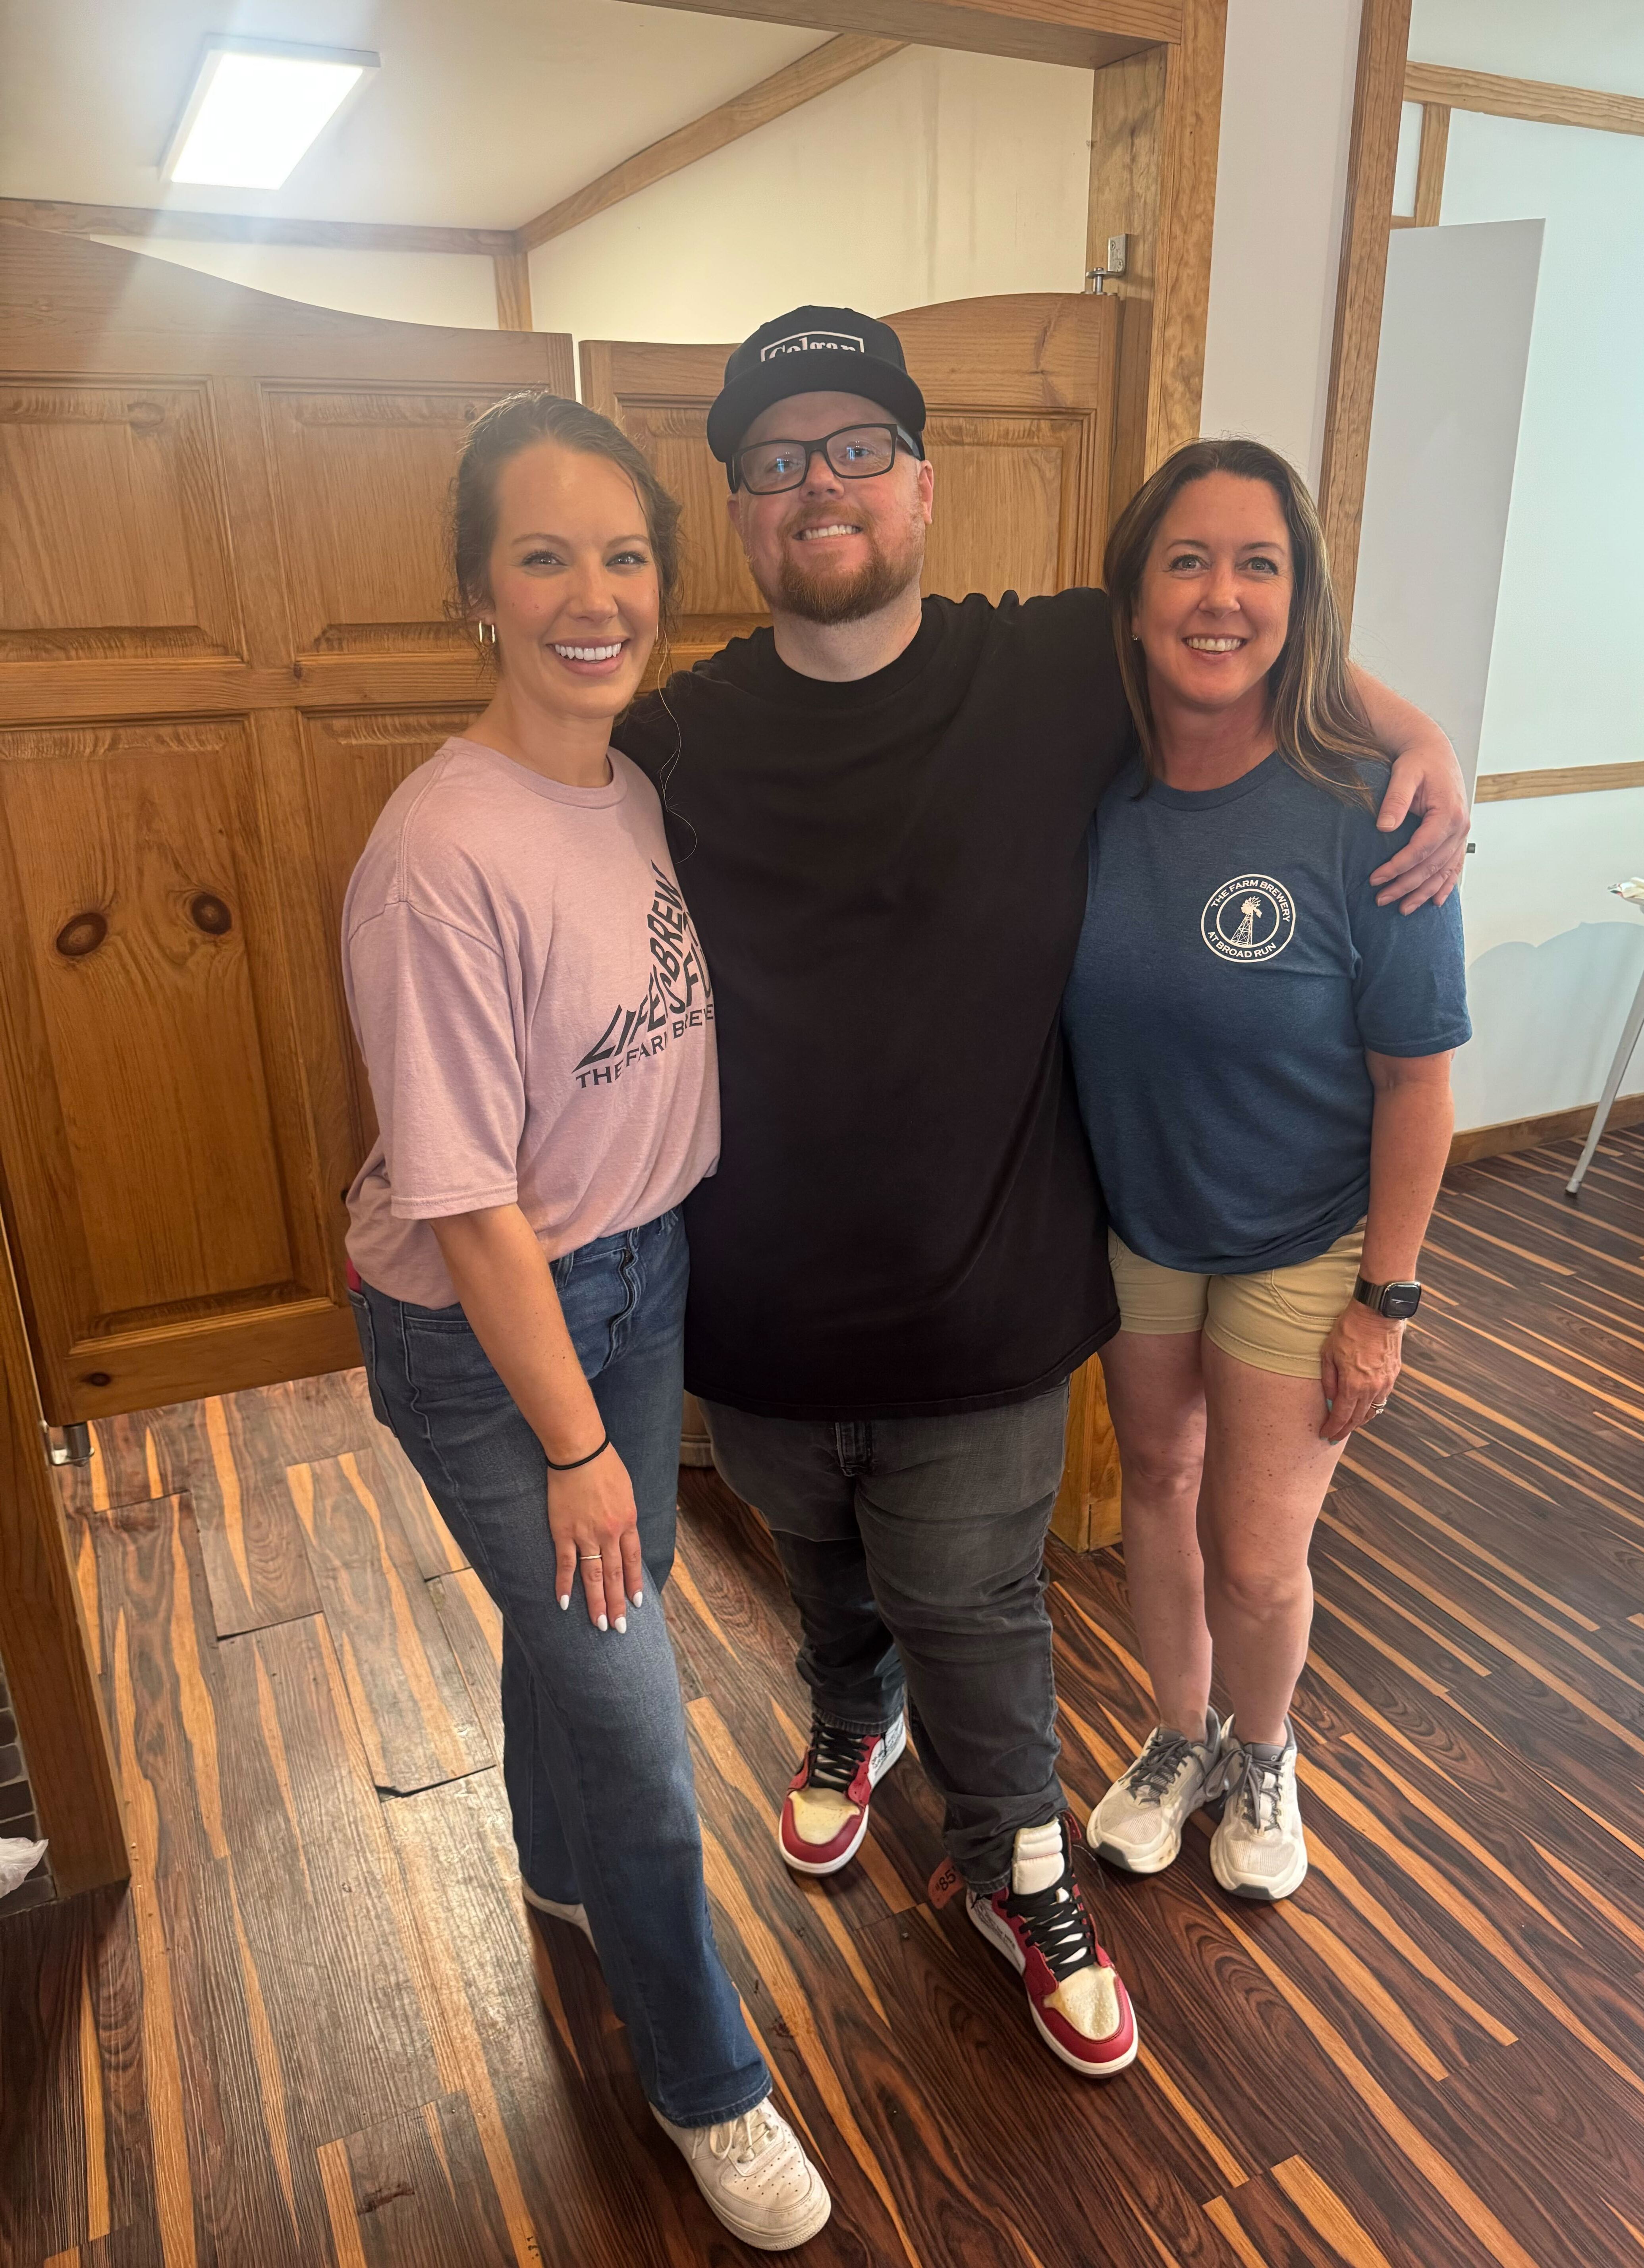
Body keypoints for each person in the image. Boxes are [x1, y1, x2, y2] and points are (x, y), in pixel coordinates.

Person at [611, 307, 1470, 2079]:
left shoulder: (1047, 662)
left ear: (924, 485)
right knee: (822, 1568)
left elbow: (1242, 637)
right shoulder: (674, 736)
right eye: (778, 460)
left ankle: (1020, 1865)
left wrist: (1424, 741)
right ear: (741, 510)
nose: (821, 484)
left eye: (859, 448)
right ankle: (849, 1720)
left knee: (982, 1608)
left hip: (988, 1293)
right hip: (756, 1299)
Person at [340, 393, 830, 2251]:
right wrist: (571, 1448)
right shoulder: (438, 853)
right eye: (544, 557)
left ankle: (554, 1873)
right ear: (477, 590)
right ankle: (709, 2087)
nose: (593, 594)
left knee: (575, 1638)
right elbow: (466, 1204)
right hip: (498, 1336)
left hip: (639, 1277)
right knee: (636, 1710)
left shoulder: (626, 787)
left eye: (624, 555)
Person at [1066, 437, 1469, 1903]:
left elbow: (1416, 1082)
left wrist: (1387, 1301)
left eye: (1258, 565)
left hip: (1302, 1242)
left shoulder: (1370, 813)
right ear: (1133, 598)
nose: (1220, 596)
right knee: (1158, 1488)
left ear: (1302, 600)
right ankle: (1177, 1737)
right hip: (1139, 1229)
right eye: (1186, 561)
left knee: (1252, 1552)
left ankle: (1263, 1749)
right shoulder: (1090, 783)